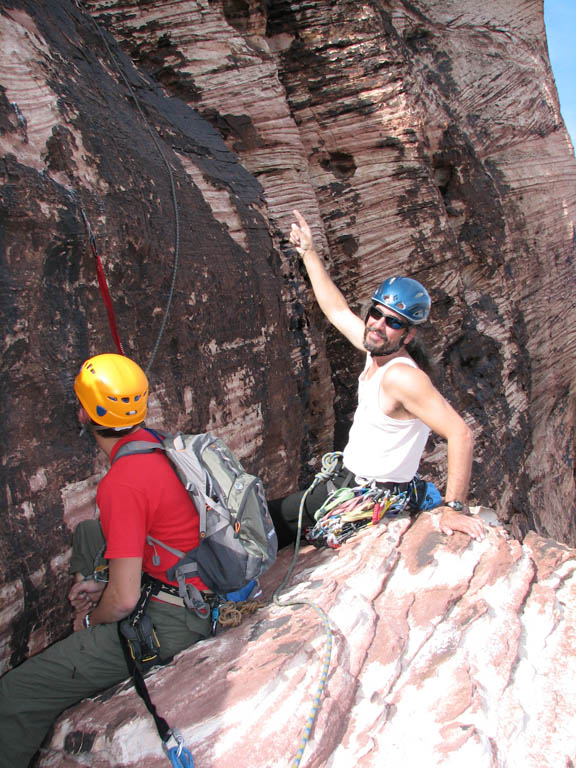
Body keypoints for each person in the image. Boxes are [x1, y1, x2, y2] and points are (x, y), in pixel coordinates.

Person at [0, 354, 211, 768]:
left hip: (175, 620)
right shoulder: (160, 445)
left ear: (84, 412)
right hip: (193, 587)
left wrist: (94, 619)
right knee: (89, 534)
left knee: (14, 696)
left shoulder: (123, 483)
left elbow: (125, 600)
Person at [268, 210, 485, 548]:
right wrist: (308, 252)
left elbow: (460, 433)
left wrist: (454, 508)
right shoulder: (378, 352)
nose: (379, 325)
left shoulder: (401, 377)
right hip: (355, 481)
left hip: (363, 493)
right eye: (377, 314)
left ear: (409, 335)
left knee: (265, 520)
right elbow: (337, 311)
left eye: (394, 322)